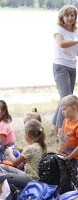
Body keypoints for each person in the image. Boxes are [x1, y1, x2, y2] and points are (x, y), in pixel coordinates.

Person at [52, 5, 78, 135]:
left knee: (65, 97)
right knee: (67, 98)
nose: (70, 18)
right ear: (62, 17)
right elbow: (61, 44)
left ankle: (53, 127)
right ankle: (61, 130)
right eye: (67, 15)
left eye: (72, 15)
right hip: (60, 66)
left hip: (72, 66)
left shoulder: (76, 31)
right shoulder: (59, 30)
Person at [1, 119, 47, 190]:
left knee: (3, 176)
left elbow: (14, 162)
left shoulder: (30, 148)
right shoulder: (40, 145)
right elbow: (32, 154)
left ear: (27, 133)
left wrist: (10, 152)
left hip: (31, 179)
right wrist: (21, 149)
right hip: (32, 176)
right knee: (1, 167)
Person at [58, 94, 78, 186]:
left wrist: (69, 157)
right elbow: (63, 134)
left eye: (64, 109)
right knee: (64, 179)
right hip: (64, 156)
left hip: (74, 159)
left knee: (75, 180)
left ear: (74, 108)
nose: (62, 112)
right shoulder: (66, 119)